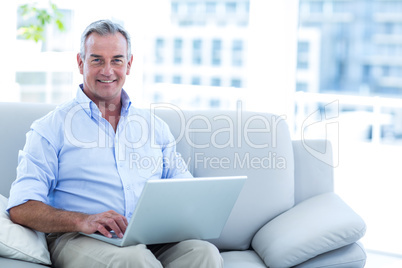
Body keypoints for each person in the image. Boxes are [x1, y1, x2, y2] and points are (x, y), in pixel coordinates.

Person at [7, 20, 223, 268]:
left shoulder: (155, 127)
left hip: (151, 237)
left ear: (129, 64)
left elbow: (186, 189)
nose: (107, 70)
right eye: (97, 60)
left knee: (205, 253)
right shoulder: (50, 128)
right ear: (80, 62)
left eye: (117, 60)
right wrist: (83, 220)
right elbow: (21, 208)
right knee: (134, 259)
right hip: (82, 238)